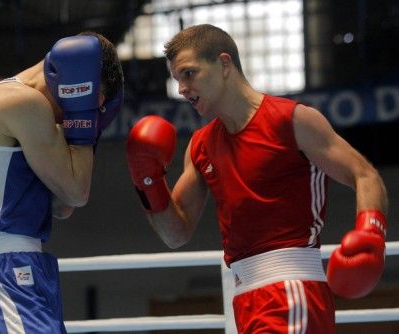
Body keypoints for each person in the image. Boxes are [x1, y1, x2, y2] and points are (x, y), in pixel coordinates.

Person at [125, 24, 388, 333]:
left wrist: (372, 234)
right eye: (177, 79)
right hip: (245, 299)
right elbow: (175, 233)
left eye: (189, 74)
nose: (182, 88)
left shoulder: (291, 120)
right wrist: (148, 182)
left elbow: (365, 174)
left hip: (290, 291)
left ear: (224, 64)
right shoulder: (201, 145)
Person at [0, 32, 123, 333]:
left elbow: (63, 205)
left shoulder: (30, 109)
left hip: (20, 266)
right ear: (76, 85)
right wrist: (84, 123)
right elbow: (77, 192)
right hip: (3, 268)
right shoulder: (20, 102)